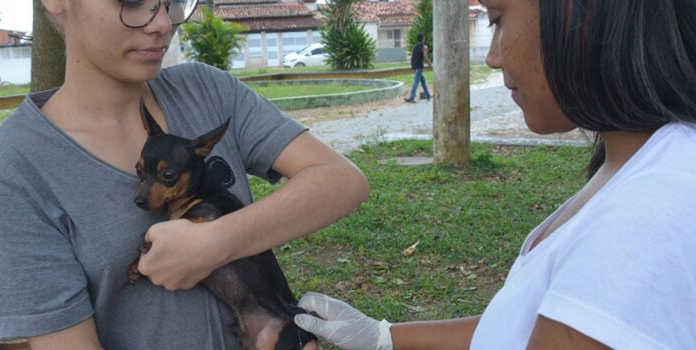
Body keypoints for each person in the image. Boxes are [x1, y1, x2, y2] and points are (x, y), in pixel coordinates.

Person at [0, 0, 369, 349]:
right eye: (133, 2)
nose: (162, 23)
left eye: (171, 2)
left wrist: (215, 241)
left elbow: (341, 180)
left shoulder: (206, 91)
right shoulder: (16, 167)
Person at [294, 0, 696, 348]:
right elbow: (518, 329)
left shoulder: (647, 210)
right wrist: (385, 337)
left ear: (582, 12)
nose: (493, 57)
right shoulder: (634, 164)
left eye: (497, 19)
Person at [404, 33, 432, 103]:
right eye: (424, 38)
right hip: (419, 67)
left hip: (415, 66)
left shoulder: (415, 47)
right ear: (422, 39)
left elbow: (412, 57)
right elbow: (425, 57)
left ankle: (428, 96)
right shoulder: (423, 47)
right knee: (416, 82)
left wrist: (412, 66)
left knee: (423, 82)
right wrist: (431, 66)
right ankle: (412, 97)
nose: (424, 39)